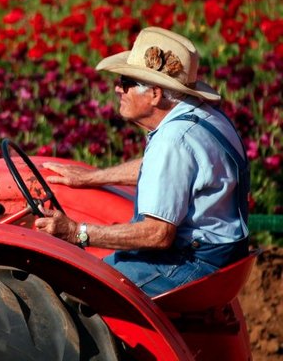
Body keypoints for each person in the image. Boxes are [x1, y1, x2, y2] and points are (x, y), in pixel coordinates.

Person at [34, 26, 250, 296]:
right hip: (222, 257)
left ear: (155, 94)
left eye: (126, 82)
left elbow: (158, 234)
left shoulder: (172, 139)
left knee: (73, 292)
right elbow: (170, 172)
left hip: (191, 263)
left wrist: (77, 232)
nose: (117, 89)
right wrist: (90, 177)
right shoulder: (205, 116)